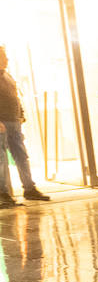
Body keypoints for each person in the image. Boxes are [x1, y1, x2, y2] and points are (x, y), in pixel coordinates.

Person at [0, 46, 50, 204]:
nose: (7, 59)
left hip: (14, 122)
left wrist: (21, 115)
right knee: (1, 160)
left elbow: (15, 96)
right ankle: (3, 194)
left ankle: (29, 189)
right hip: (2, 124)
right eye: (3, 56)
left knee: (22, 156)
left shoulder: (7, 76)